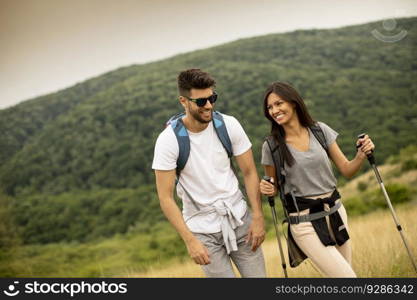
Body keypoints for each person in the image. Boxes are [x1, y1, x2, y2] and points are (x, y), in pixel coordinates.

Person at [152, 69, 266, 277]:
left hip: (240, 221)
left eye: (212, 98)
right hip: (202, 233)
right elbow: (165, 198)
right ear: (183, 101)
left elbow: (249, 172)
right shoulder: (168, 141)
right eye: (202, 101)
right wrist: (190, 240)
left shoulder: (228, 125)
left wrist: (258, 215)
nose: (209, 105)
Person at [259, 81, 375, 278]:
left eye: (279, 104)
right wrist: (267, 188)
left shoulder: (319, 131)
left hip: (337, 213)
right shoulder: (271, 146)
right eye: (270, 107)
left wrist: (361, 155)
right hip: (304, 223)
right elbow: (274, 186)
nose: (274, 110)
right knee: (348, 278)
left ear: (293, 102)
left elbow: (347, 170)